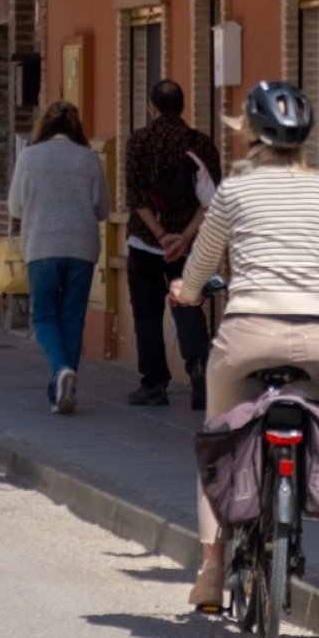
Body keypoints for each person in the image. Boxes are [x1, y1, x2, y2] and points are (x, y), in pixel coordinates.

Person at [172, 81, 319, 611]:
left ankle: (211, 571)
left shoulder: (234, 191)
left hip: (247, 331)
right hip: (318, 332)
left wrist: (186, 293)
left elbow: (202, 265)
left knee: (220, 443)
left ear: (251, 135)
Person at [122, 80, 221, 408]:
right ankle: (198, 371)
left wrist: (160, 235)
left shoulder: (139, 141)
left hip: (144, 240)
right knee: (189, 305)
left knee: (147, 311)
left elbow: (134, 196)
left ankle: (153, 383)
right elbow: (211, 201)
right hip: (189, 245)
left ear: (151, 106)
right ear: (182, 105)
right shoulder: (200, 144)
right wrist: (185, 237)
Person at [5, 101, 108, 415]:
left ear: (43, 127)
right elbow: (102, 208)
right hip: (82, 247)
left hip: (42, 246)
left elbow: (15, 207)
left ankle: (61, 370)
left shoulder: (28, 157)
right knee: (73, 318)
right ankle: (65, 388)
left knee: (44, 316)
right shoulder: (89, 159)